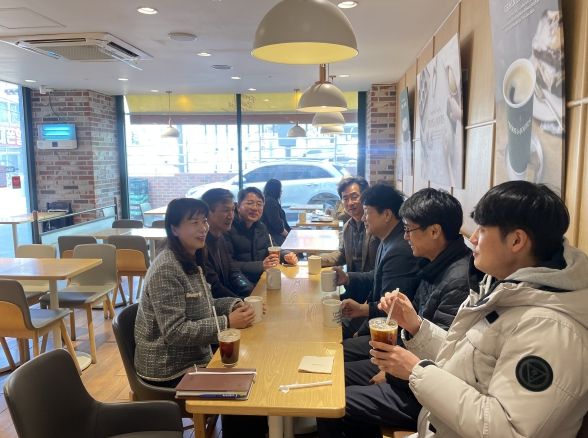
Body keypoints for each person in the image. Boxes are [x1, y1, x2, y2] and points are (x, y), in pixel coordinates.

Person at [374, 181, 588, 438]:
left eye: (482, 230)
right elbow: (469, 362)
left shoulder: (552, 328)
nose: (472, 238)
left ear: (516, 240)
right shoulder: (503, 287)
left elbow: (507, 430)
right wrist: (417, 327)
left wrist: (416, 372)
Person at [317, 188, 472, 438]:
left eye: (409, 229)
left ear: (434, 231)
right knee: (335, 370)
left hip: (422, 392)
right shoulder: (433, 261)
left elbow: (445, 358)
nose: (406, 236)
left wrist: (391, 375)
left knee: (330, 400)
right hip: (406, 364)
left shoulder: (457, 280)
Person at [134, 197, 255, 386]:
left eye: (204, 221)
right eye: (194, 222)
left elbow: (205, 303)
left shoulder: (191, 257)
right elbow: (175, 332)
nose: (203, 228)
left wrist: (234, 304)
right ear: (174, 229)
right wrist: (228, 322)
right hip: (171, 370)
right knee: (248, 384)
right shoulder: (166, 268)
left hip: (196, 359)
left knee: (253, 368)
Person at [335, 183, 420, 344]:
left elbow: (392, 308)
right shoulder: (387, 239)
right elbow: (376, 276)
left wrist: (361, 320)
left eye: (367, 212)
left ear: (387, 215)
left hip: (391, 333)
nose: (364, 218)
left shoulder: (399, 250)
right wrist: (347, 277)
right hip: (376, 318)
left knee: (336, 346)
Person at [321, 176, 380, 301]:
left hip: (373, 291)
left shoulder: (376, 225)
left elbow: (381, 270)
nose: (350, 203)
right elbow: (343, 254)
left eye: (354, 197)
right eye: (345, 198)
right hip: (353, 288)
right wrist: (319, 260)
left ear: (365, 197)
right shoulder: (348, 226)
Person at [226, 187, 298, 283]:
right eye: (250, 203)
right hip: (241, 284)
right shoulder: (228, 229)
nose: (255, 208)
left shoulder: (261, 227)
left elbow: (273, 248)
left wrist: (286, 256)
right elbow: (228, 264)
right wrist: (261, 265)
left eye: (259, 204)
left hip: (263, 279)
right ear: (238, 207)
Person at [201, 188, 253, 298]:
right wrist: (240, 302)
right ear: (207, 213)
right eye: (225, 210)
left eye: (233, 210)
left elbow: (232, 270)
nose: (231, 216)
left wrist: (248, 289)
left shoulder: (220, 237)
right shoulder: (200, 244)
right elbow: (214, 288)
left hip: (229, 300)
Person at [261, 179, 291, 246]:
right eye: (280, 189)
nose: (281, 191)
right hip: (274, 237)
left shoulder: (270, 200)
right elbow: (277, 226)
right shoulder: (270, 202)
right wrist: (289, 237)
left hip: (275, 235)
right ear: (276, 190)